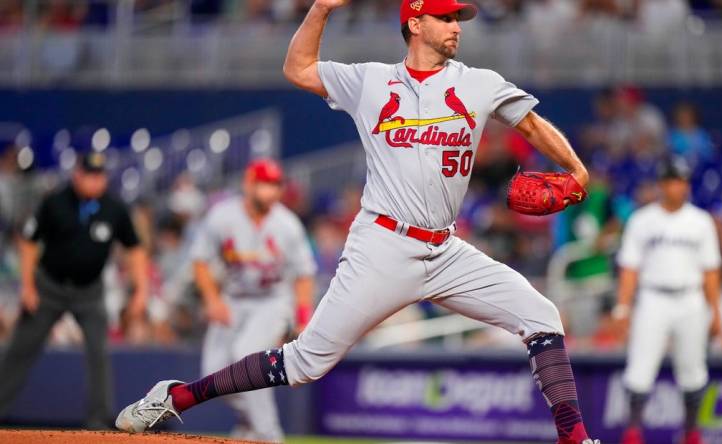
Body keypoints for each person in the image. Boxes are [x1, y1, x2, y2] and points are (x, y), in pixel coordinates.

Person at [116, 0, 599, 442]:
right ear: (415, 22)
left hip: (447, 250)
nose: (456, 27)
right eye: (447, 17)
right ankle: (175, 397)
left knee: (542, 316)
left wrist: (576, 169)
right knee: (305, 363)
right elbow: (298, 68)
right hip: (383, 246)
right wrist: (322, 8)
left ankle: (575, 439)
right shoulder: (370, 80)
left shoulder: (479, 82)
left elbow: (531, 123)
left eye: (458, 19)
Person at [0, 152, 148, 428]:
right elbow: (30, 243)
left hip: (89, 292)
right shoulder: (55, 202)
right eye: (90, 175)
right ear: (77, 175)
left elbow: (135, 249)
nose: (95, 181)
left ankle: (98, 421)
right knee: (20, 350)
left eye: (100, 176)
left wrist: (141, 290)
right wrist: (28, 286)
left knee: (99, 352)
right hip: (49, 288)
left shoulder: (114, 208)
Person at [191, 159, 316, 441]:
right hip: (232, 299)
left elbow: (304, 274)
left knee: (246, 356)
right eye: (265, 184)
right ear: (249, 183)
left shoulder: (287, 224)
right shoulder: (222, 217)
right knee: (212, 374)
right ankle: (249, 424)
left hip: (272, 301)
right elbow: (199, 261)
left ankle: (269, 434)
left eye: (275, 185)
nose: (271, 192)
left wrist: (303, 316)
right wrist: (211, 300)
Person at [613, 157, 722, 444]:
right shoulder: (642, 220)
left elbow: (710, 270)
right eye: (673, 180)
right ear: (662, 184)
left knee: (693, 369)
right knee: (640, 368)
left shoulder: (700, 221)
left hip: (690, 298)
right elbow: (630, 268)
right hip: (653, 297)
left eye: (682, 180)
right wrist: (623, 307)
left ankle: (691, 433)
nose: (678, 186)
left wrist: (716, 311)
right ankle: (633, 432)